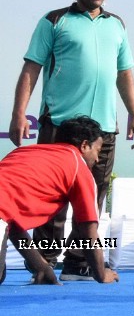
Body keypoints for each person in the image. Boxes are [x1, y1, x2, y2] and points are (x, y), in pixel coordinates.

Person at [8, 0, 134, 281]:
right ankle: (44, 261)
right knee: (53, 198)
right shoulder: (54, 21)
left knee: (92, 197)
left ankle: (79, 262)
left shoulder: (117, 25)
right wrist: (18, 113)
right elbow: (31, 69)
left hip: (103, 131)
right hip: (61, 126)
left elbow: (124, 74)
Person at [0, 116, 119, 285]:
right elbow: (89, 234)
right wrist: (101, 274)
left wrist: (41, 267)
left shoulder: (22, 153)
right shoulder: (79, 167)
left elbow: (11, 224)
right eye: (98, 151)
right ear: (84, 146)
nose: (98, 159)